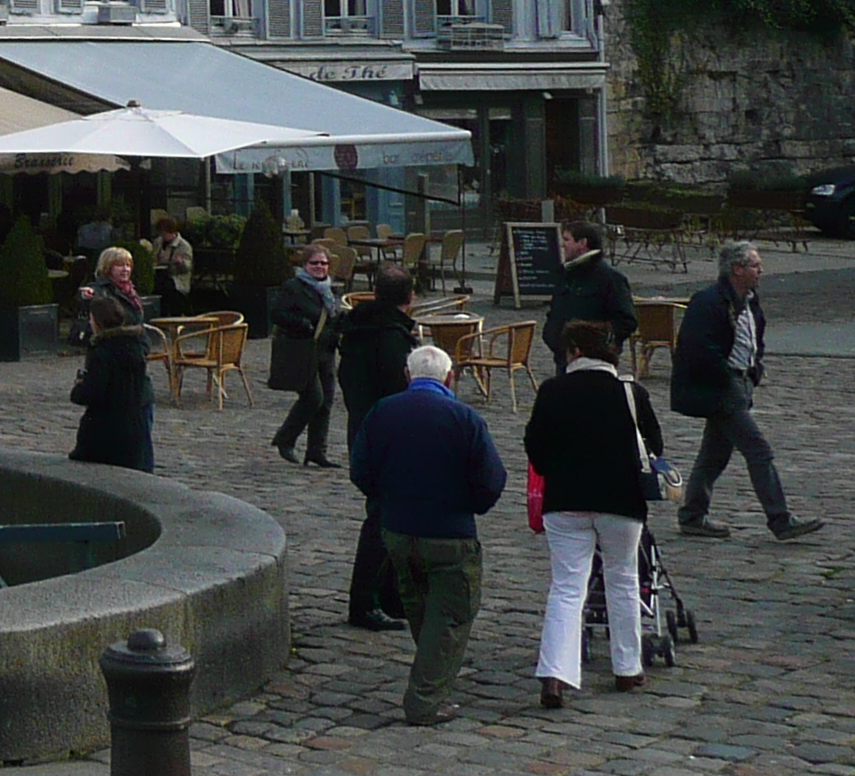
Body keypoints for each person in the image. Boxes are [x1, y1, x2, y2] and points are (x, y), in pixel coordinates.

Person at [349, 342, 507, 724]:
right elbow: (491, 481)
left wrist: (388, 499)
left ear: (408, 375)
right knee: (451, 613)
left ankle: (432, 676)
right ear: (450, 378)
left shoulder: (383, 412)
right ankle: (424, 699)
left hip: (399, 531)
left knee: (421, 607)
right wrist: (468, 505)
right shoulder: (463, 418)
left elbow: (361, 470)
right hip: (449, 532)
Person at [522, 318, 666, 707]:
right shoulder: (631, 393)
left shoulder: (553, 391)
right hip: (621, 501)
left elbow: (534, 446)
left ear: (575, 352)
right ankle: (627, 667)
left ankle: (555, 673)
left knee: (567, 587)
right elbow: (655, 444)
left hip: (565, 500)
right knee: (623, 580)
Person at [671, 239, 824, 542]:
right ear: (737, 269)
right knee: (758, 451)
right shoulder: (708, 301)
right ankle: (780, 519)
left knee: (714, 455)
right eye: (755, 265)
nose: (760, 269)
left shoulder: (750, 301)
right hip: (721, 389)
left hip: (738, 383)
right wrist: (727, 377)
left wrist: (754, 370)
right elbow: (699, 348)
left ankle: (692, 515)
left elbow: (754, 339)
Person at [336, 266, 420, 630]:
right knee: (383, 520)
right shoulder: (392, 340)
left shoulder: (358, 329)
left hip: (361, 428)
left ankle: (389, 597)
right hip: (388, 437)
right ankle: (365, 601)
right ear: (410, 298)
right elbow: (399, 395)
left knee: (389, 515)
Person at [68, 275, 159, 472]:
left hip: (105, 430)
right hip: (134, 425)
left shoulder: (102, 352)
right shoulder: (136, 345)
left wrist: (78, 388)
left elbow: (94, 392)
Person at [268, 240, 342, 467]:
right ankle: (285, 438)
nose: (320, 267)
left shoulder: (330, 290)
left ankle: (317, 451)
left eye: (324, 263)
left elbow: (334, 318)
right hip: (301, 349)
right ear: (305, 265)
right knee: (313, 398)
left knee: (326, 401)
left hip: (326, 350)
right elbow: (277, 314)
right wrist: (302, 323)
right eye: (314, 263)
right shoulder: (293, 287)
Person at [542, 220, 636, 376]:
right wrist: (552, 335)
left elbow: (627, 321)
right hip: (564, 357)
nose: (563, 245)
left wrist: (596, 343)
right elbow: (556, 310)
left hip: (595, 361)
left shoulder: (610, 278)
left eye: (567, 240)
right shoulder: (567, 274)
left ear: (583, 243)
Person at [154, 221, 196, 314]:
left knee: (169, 288)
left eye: (164, 233)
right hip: (160, 274)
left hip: (176, 278)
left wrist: (181, 262)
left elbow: (187, 268)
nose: (162, 236)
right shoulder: (158, 242)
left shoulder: (184, 246)